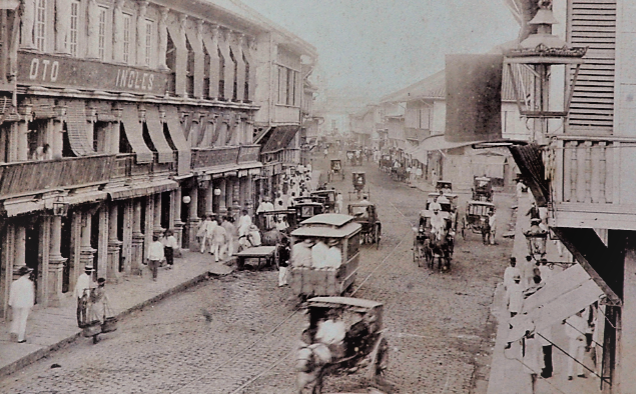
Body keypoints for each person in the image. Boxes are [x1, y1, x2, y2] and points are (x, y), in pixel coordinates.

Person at [8, 266, 35, 343]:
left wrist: (10, 303)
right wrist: (31, 305)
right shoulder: (29, 283)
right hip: (25, 304)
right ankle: (20, 337)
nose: (29, 275)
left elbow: (12, 294)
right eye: (28, 273)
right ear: (26, 274)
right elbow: (30, 295)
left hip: (16, 304)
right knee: (23, 320)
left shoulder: (15, 283)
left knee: (16, 318)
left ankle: (14, 334)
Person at [565, 310, 588, 380]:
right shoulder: (569, 320)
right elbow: (567, 332)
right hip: (573, 340)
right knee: (572, 356)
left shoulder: (584, 320)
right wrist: (576, 337)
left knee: (581, 357)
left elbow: (585, 329)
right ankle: (570, 373)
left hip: (582, 340)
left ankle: (580, 372)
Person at [88, 278, 110, 344]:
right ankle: (96, 336)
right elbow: (102, 299)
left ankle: (95, 336)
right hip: (99, 306)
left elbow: (91, 298)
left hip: (94, 306)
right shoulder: (102, 290)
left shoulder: (94, 290)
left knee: (94, 320)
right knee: (99, 320)